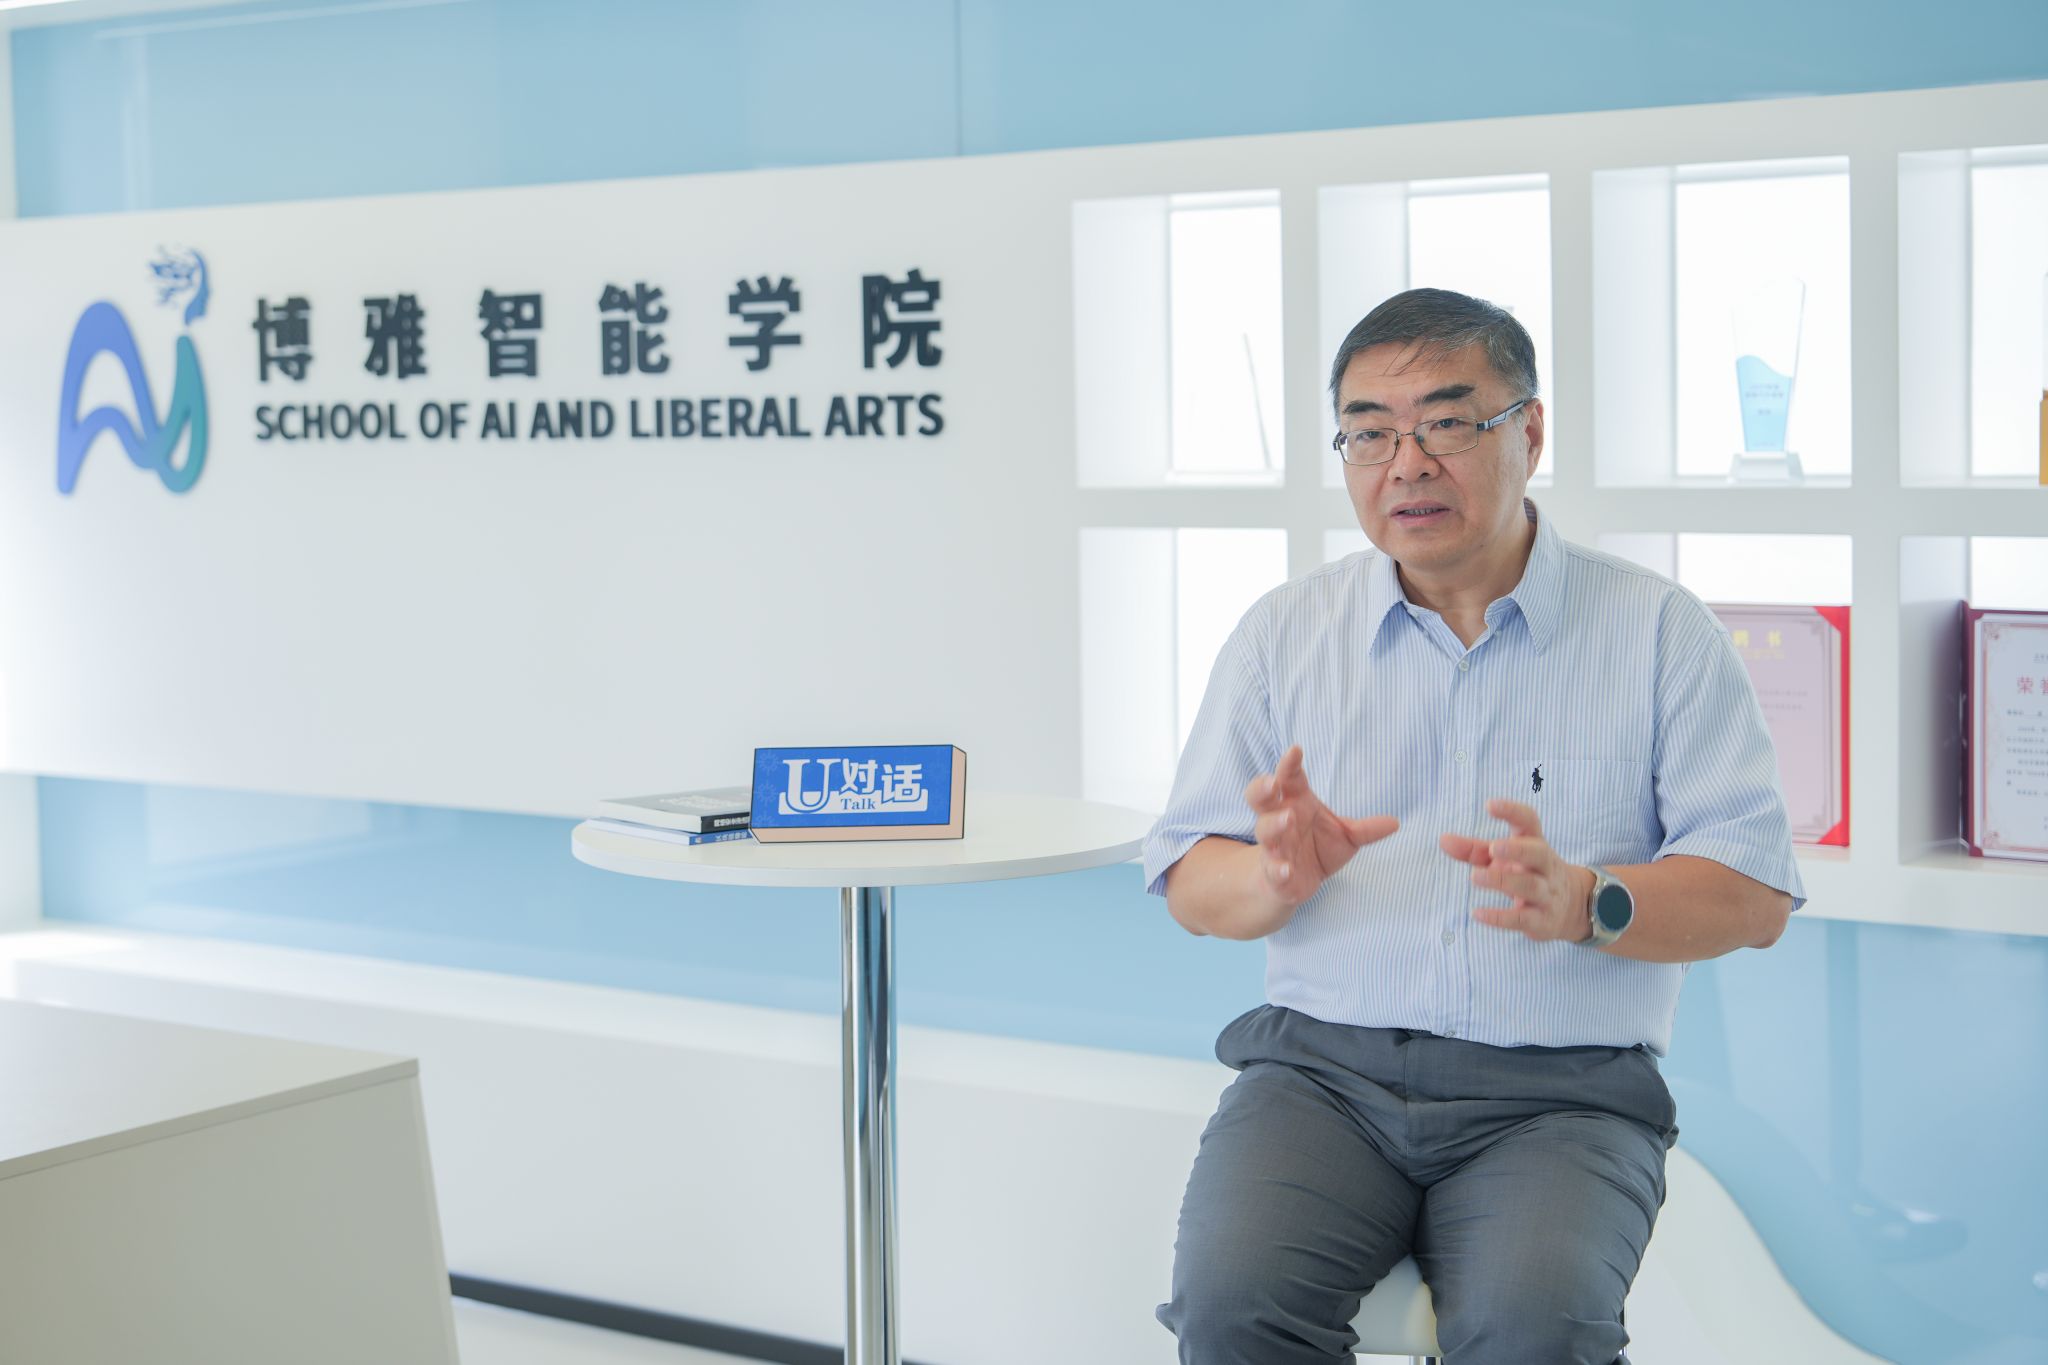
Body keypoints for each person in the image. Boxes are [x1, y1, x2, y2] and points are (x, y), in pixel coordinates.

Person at [1144, 287, 1804, 1365]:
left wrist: (1589, 901)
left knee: (1534, 1330)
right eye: (1368, 433)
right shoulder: (1282, 634)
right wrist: (1274, 879)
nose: (1405, 464)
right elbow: (1188, 879)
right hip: (1321, 1080)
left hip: (1560, 1095)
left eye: (1446, 423)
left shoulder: (1656, 632)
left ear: (1528, 432)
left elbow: (1753, 894)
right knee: (1231, 1309)